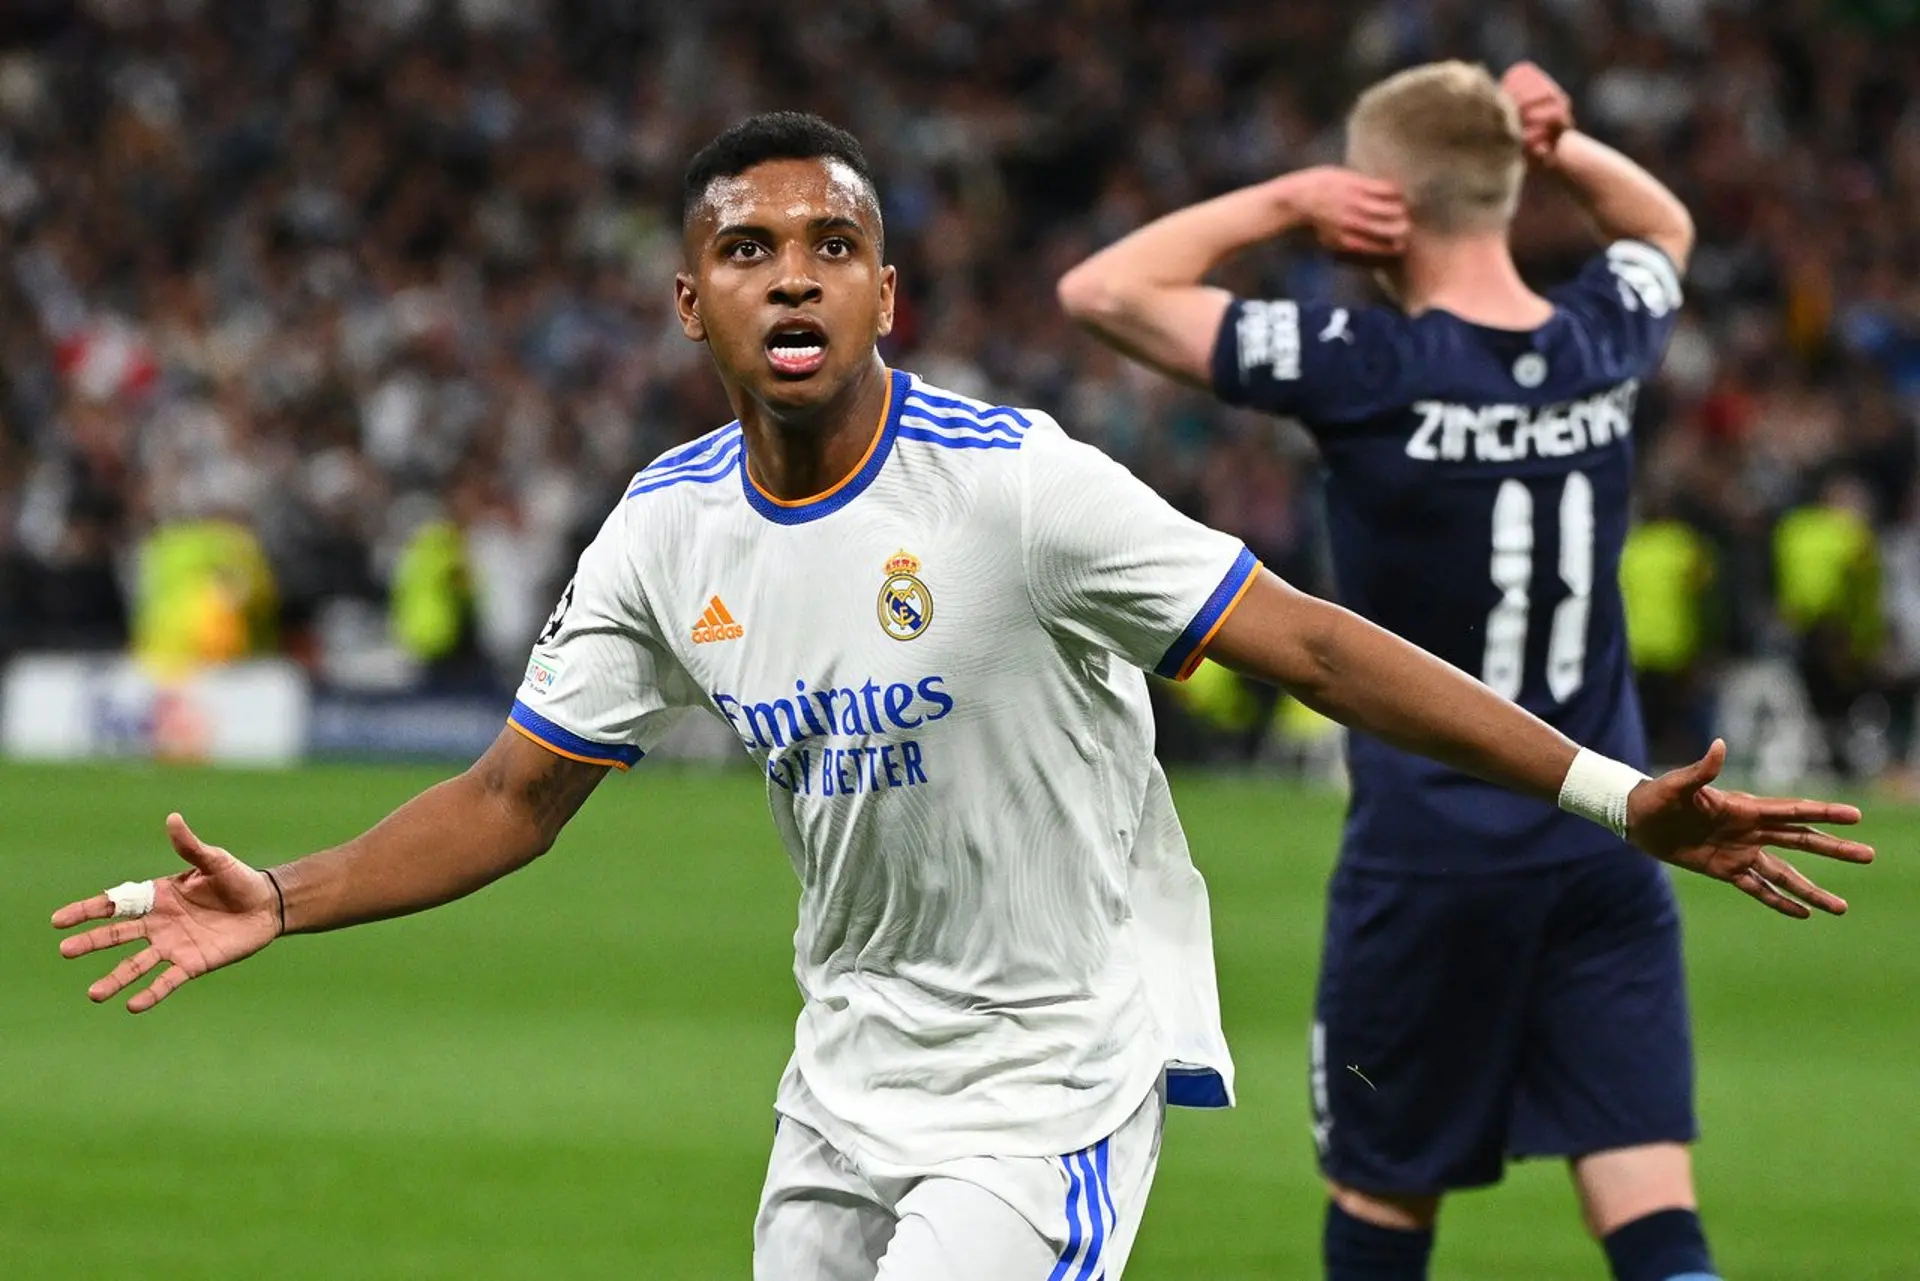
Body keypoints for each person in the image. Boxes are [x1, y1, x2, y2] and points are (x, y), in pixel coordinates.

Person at [55, 111, 1872, 1281]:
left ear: (885, 298)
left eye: (828, 248)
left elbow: (1310, 644)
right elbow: (514, 796)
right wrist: (285, 898)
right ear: (692, 303)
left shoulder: (1016, 487)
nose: (791, 276)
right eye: (749, 250)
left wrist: (1618, 795)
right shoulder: (664, 531)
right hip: (844, 1075)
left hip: (1049, 1078)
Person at [1057, 59, 1806, 1281]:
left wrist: (1286, 203)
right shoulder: (1599, 340)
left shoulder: (1365, 362)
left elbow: (1104, 291)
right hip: (1607, 842)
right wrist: (1562, 150)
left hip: (1430, 855)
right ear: (1508, 189)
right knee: (1650, 1208)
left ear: (1377, 199)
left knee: (1383, 1212)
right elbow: (1661, 223)